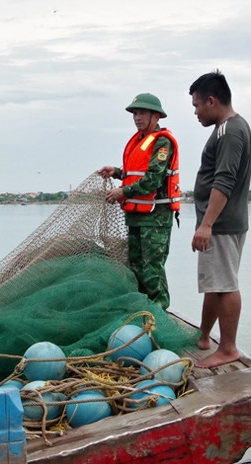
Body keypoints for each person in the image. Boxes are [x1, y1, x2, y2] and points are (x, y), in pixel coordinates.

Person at [188, 70, 251, 368]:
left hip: (222, 224)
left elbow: (224, 181)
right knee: (215, 283)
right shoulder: (231, 128)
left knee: (225, 284)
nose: (196, 112)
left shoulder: (230, 131)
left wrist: (206, 224)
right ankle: (205, 337)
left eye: (197, 105)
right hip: (224, 223)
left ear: (212, 101)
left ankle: (227, 348)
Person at [97, 93, 181, 310]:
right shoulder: (139, 140)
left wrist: (122, 192)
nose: (137, 117)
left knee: (152, 269)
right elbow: (136, 172)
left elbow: (153, 179)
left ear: (156, 116)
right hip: (135, 216)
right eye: (134, 113)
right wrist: (116, 172)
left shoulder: (162, 142)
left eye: (142, 112)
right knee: (135, 268)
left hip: (155, 218)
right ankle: (143, 311)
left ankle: (160, 313)